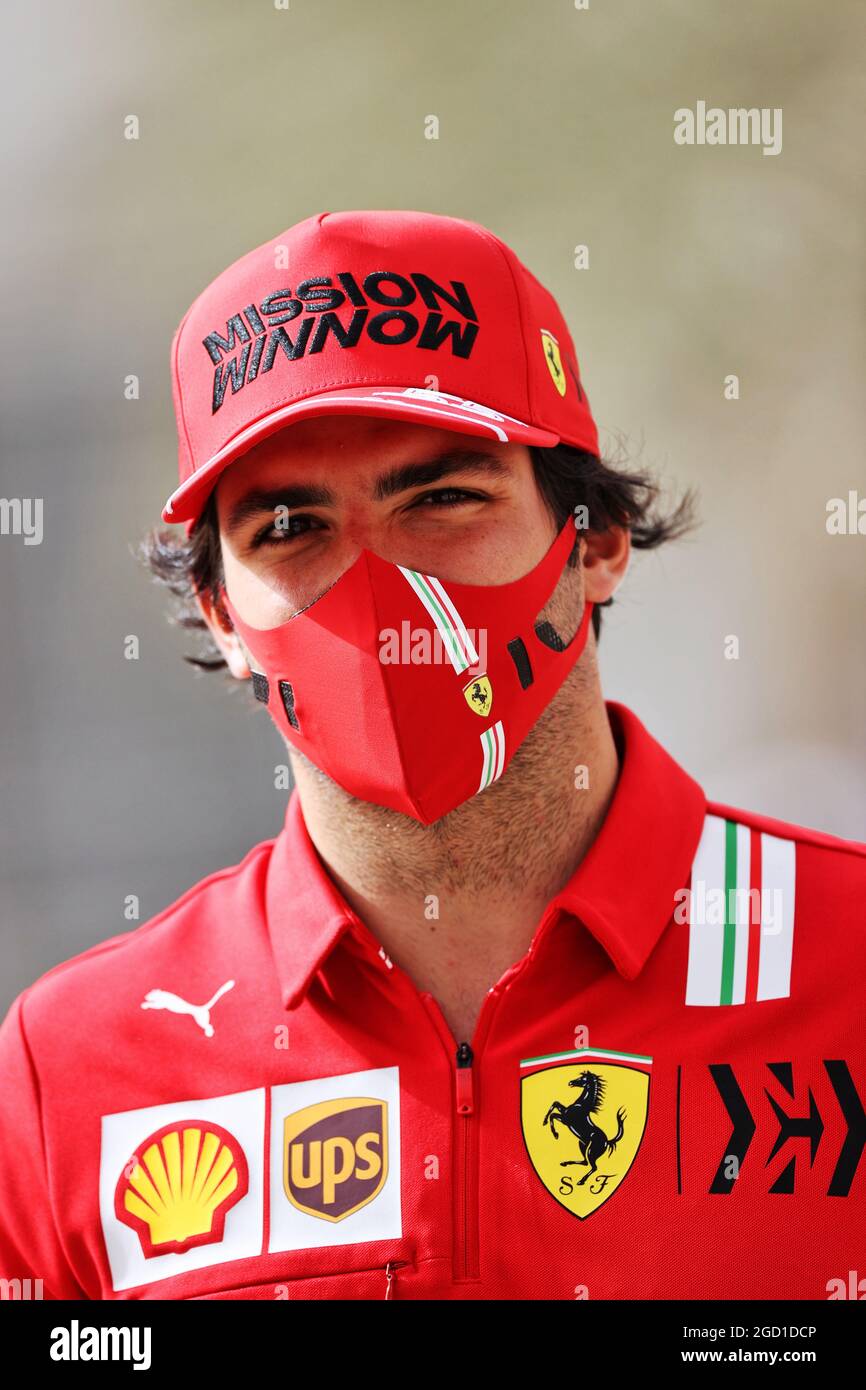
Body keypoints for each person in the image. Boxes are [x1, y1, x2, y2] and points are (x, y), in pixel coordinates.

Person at [0, 210, 862, 1302]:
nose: (373, 587)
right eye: (289, 527)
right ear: (220, 613)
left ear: (591, 543)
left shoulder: (847, 967)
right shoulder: (72, 1069)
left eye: (441, 498)